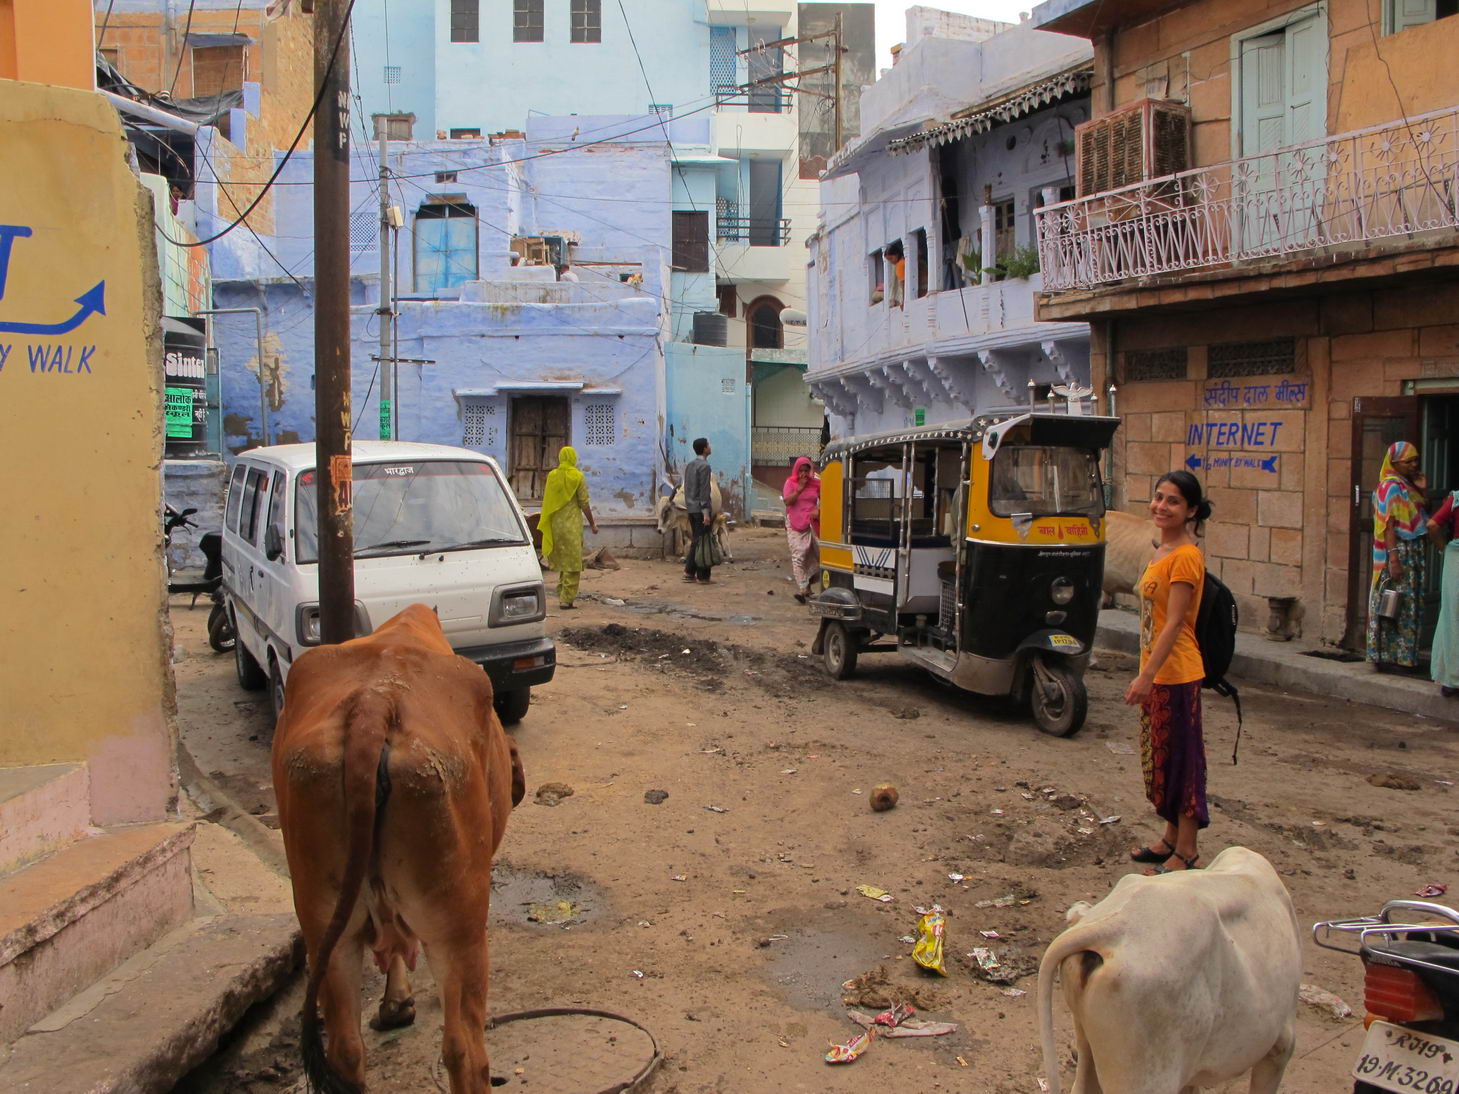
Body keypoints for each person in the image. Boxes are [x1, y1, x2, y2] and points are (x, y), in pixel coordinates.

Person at [1125, 470, 1211, 874]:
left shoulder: (1186, 557)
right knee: (1162, 759)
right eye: (1159, 497)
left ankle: (1188, 850)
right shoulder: (1161, 551)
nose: (1161, 506)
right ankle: (1171, 837)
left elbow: (1175, 623)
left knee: (1182, 760)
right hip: (1158, 671)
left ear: (1191, 511)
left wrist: (1147, 676)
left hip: (1176, 672)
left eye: (1173, 501)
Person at [1368, 441, 1428, 672]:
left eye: (1416, 460)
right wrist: (1394, 560)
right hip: (1398, 553)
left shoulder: (1406, 487)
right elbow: (1388, 526)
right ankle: (1387, 657)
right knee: (1394, 605)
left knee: (1407, 604)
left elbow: (1422, 512)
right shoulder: (1390, 487)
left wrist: (1422, 489)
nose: (1414, 465)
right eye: (1408, 461)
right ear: (1394, 463)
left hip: (1411, 554)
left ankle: (1404, 658)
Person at [538, 445, 597, 610]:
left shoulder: (552, 476)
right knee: (572, 563)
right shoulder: (577, 476)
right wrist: (592, 523)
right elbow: (584, 503)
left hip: (556, 525)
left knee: (564, 562)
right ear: (573, 458)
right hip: (571, 525)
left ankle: (562, 594)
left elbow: (549, 499)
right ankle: (566, 599)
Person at [1430, 486, 1459, 697]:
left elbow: (1432, 525)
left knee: (1452, 615)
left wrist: (1444, 548)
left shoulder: (1456, 499)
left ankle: (1452, 678)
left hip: (1456, 558)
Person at [782, 456, 821, 603]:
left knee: (817, 556)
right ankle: (803, 588)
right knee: (799, 554)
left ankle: (808, 586)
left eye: (806, 470)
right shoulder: (790, 483)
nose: (804, 474)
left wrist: (819, 510)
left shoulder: (816, 483)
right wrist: (799, 490)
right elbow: (787, 501)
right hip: (795, 523)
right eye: (801, 471)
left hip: (812, 523)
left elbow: (826, 498)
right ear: (796, 471)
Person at [683, 437, 714, 584]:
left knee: (697, 540)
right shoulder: (705, 466)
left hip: (691, 508)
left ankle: (690, 572)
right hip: (701, 510)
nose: (710, 446)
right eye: (708, 444)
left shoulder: (690, 465)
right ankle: (701, 575)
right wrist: (706, 513)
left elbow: (688, 487)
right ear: (704, 449)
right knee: (703, 542)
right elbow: (704, 491)